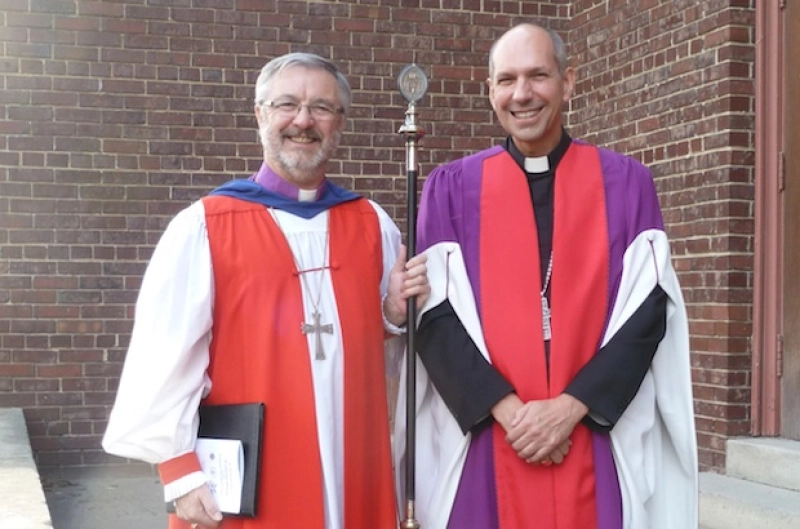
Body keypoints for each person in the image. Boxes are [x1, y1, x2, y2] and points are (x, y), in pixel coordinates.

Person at [103, 52, 429, 529]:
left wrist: (392, 313)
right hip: (250, 474)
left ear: (340, 123)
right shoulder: (205, 227)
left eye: (321, 107)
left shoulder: (371, 224)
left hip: (354, 464)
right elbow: (162, 355)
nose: (303, 120)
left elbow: (373, 345)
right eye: (287, 104)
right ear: (260, 115)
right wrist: (178, 470)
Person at [393, 23, 698, 529]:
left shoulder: (627, 184)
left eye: (538, 75)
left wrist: (569, 409)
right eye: (507, 79)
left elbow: (647, 314)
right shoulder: (450, 189)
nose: (522, 94)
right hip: (489, 437)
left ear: (567, 81)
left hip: (592, 432)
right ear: (490, 90)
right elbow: (433, 317)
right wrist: (514, 415)